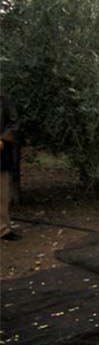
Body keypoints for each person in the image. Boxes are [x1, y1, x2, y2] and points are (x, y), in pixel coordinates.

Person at [1, 94, 20, 240]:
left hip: (0, 154)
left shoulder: (4, 99)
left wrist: (2, 139)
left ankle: (3, 229)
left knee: (2, 194)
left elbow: (13, 124)